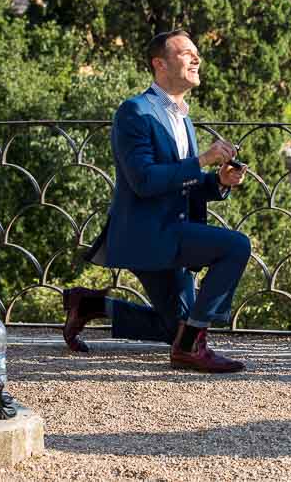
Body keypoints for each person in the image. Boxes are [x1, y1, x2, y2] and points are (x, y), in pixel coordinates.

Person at [62, 29, 252, 373]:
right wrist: (202, 162)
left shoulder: (183, 118)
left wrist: (217, 182)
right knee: (236, 246)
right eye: (186, 53)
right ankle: (193, 344)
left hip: (176, 231)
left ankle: (91, 304)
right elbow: (145, 181)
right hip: (148, 234)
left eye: (197, 53)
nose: (197, 59)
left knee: (173, 327)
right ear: (159, 64)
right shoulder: (134, 112)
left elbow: (184, 181)